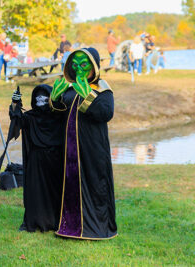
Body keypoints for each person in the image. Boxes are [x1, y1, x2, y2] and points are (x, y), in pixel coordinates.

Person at [50, 47, 117, 240]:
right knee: (69, 183)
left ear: (94, 66)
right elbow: (59, 113)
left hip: (92, 148)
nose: (79, 68)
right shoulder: (70, 88)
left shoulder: (102, 88)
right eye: (75, 64)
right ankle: (68, 225)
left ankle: (94, 228)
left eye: (84, 64)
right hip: (69, 149)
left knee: (94, 184)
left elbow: (105, 113)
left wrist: (87, 94)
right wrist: (54, 100)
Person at [7, 84, 65, 232]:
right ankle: (37, 219)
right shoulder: (31, 117)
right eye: (38, 99)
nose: (41, 103)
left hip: (56, 160)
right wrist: (15, 105)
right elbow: (17, 122)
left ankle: (56, 220)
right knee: (36, 192)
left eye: (45, 99)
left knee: (56, 191)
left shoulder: (60, 116)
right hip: (36, 161)